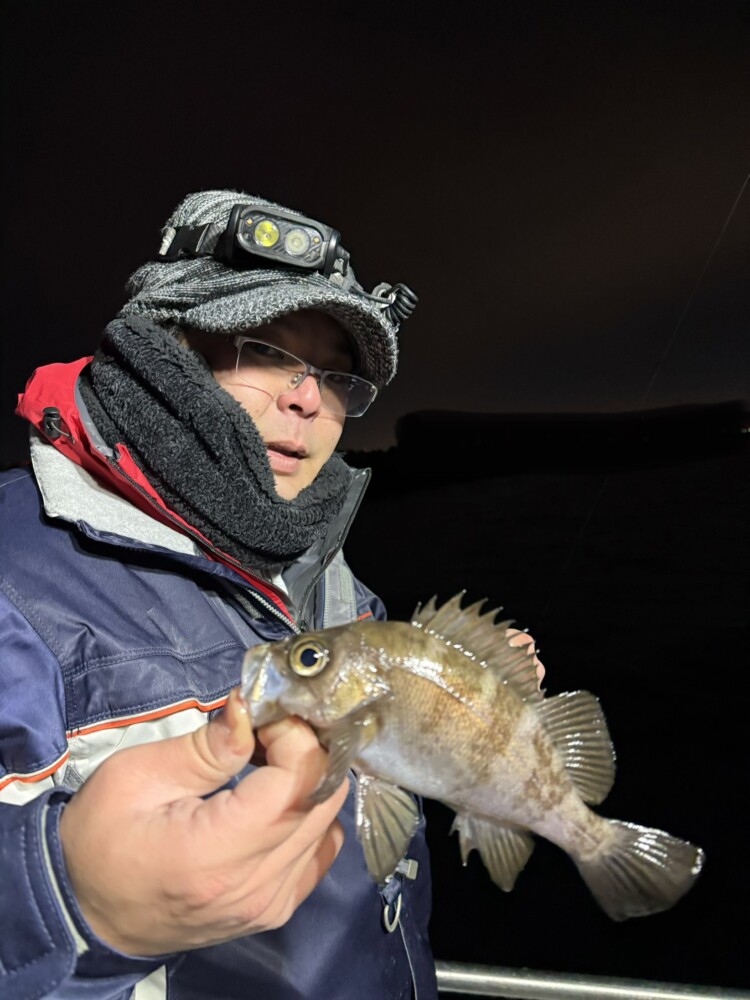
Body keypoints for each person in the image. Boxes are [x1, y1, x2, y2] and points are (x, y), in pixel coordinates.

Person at [1, 190, 539, 999]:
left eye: (335, 375)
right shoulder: (14, 566)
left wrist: (473, 721)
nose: (309, 399)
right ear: (164, 351)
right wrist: (68, 904)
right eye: (267, 350)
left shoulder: (327, 578)